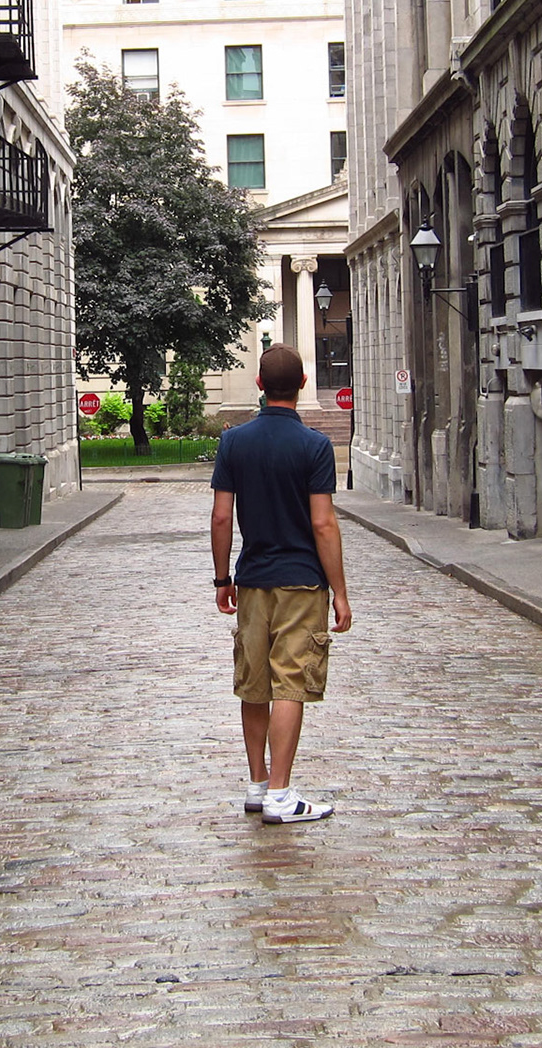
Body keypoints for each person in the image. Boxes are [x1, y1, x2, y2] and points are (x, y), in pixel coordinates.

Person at [210, 343, 351, 824]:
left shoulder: (234, 443)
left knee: (254, 683)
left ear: (259, 385)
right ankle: (282, 794)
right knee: (290, 683)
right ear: (304, 386)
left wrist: (222, 578)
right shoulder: (314, 446)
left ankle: (257, 784)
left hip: (252, 579)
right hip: (301, 583)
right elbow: (324, 525)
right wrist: (341, 593)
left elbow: (221, 517)